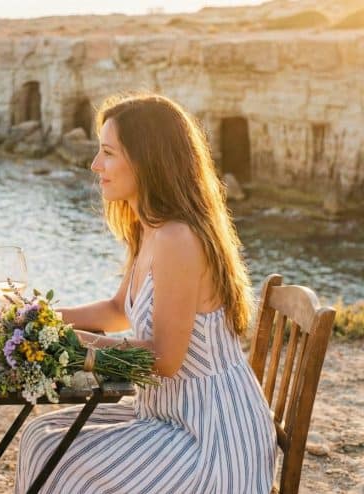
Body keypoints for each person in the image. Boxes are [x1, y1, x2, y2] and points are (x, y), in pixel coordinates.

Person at [15, 93, 277, 493]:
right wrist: (33, 318)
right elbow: (117, 309)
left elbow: (165, 359)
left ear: (146, 160)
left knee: (59, 458)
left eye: (108, 153)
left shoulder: (177, 238)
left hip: (211, 434)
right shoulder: (150, 228)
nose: (95, 165)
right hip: (166, 413)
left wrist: (74, 344)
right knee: (40, 437)